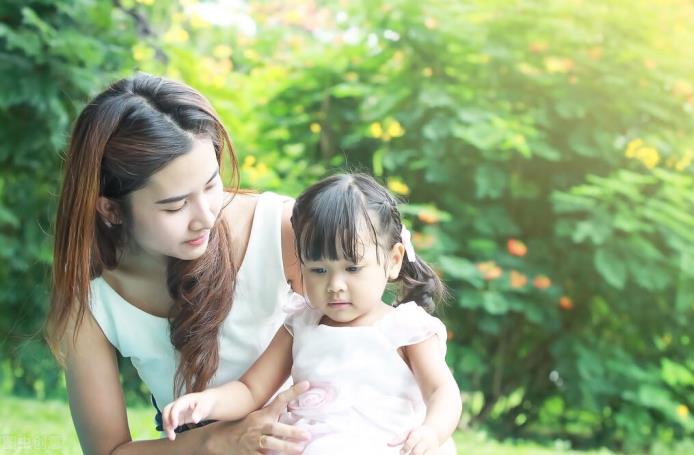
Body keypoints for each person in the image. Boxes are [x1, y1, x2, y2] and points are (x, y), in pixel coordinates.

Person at [46, 73, 314, 454]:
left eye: (211, 184)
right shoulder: (94, 300)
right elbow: (107, 450)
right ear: (110, 209)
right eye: (175, 206)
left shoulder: (280, 230)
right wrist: (219, 440)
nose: (205, 217)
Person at [162, 173, 462, 455]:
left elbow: (441, 391)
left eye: (352, 268)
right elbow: (251, 389)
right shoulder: (301, 324)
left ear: (393, 260)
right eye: (318, 270)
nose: (335, 285)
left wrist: (431, 432)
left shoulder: (406, 328)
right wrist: (206, 402)